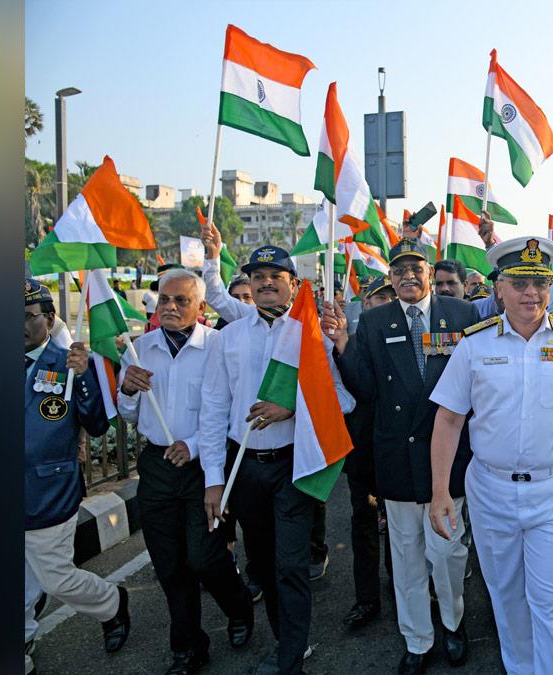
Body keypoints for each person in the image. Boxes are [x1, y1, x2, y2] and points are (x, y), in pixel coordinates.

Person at [428, 236, 553, 675]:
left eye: (540, 282)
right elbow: (449, 420)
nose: (531, 292)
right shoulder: (475, 344)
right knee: (507, 597)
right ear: (499, 288)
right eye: (519, 282)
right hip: (491, 490)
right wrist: (440, 490)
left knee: (550, 600)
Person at [198, 245, 355, 675]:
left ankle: (290, 662)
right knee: (263, 565)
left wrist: (293, 406)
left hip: (293, 464)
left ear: (293, 283)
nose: (266, 281)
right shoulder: (227, 337)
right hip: (245, 467)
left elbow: (343, 399)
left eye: (276, 275)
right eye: (258, 275)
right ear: (249, 284)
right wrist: (215, 480)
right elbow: (213, 409)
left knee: (290, 565)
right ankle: (288, 640)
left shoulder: (310, 335)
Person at [326, 240, 479, 673]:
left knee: (448, 552)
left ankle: (452, 622)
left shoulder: (462, 315)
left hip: (447, 455)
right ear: (390, 278)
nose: (408, 276)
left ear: (430, 271)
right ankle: (417, 639)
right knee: (407, 554)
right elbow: (366, 389)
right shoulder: (374, 322)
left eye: (416, 267)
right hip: (396, 455)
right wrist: (341, 345)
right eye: (399, 270)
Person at [117, 269, 253, 673]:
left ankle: (240, 607)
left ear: (201, 306)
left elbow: (228, 411)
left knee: (204, 558)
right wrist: (127, 388)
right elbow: (128, 415)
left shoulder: (218, 346)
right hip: (157, 468)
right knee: (169, 563)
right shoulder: (140, 348)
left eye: (180, 300)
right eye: (164, 300)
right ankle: (187, 645)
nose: (171, 308)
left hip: (204, 467)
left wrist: (192, 446)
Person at [24, 278, 129, 675]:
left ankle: (112, 603)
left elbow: (98, 425)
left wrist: (84, 377)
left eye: (27, 316)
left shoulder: (67, 361)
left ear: (49, 319)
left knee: (56, 579)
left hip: (48, 490)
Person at [337, 275, 397, 633]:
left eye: (389, 298)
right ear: (366, 305)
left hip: (396, 447)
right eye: (376, 300)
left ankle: (401, 587)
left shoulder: (409, 338)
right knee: (363, 522)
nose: (383, 305)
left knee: (403, 527)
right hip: (363, 448)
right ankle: (367, 599)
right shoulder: (350, 343)